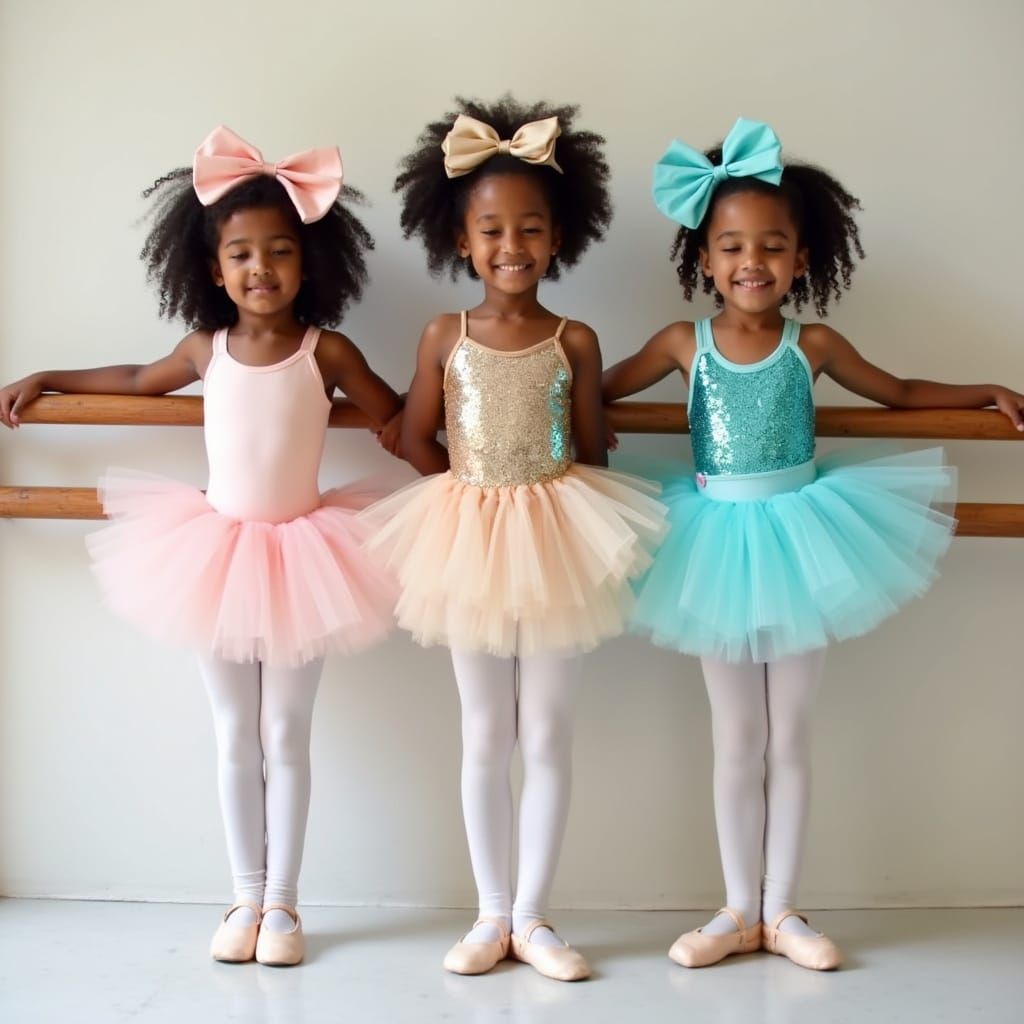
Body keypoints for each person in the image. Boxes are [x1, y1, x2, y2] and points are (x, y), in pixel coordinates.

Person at [602, 117, 1024, 971]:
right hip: (712, 544)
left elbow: (899, 391)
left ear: (802, 259)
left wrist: (984, 388)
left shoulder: (814, 344)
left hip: (804, 542)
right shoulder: (683, 344)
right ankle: (732, 908)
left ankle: (783, 909)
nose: (751, 260)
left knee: (788, 732)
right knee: (734, 736)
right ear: (704, 260)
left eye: (772, 244)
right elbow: (593, 391)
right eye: (731, 245)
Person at [0, 125, 404, 966]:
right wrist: (50, 376)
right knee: (232, 732)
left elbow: (398, 415)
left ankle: (285, 907)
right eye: (241, 254)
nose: (261, 268)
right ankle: (242, 897)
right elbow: (137, 380)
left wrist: (465, 437)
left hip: (305, 558)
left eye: (281, 251)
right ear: (212, 269)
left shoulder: (325, 351)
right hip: (214, 555)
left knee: (286, 732)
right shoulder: (204, 349)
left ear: (311, 262)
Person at [362, 97, 666, 981]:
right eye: (491, 230)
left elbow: (594, 445)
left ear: (558, 238)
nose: (511, 246)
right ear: (460, 240)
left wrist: (538, 501)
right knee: (485, 729)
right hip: (469, 536)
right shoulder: (442, 335)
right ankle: (489, 913)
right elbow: (418, 437)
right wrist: (469, 509)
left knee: (550, 728)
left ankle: (534, 917)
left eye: (530, 229)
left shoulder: (576, 338)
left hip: (561, 534)